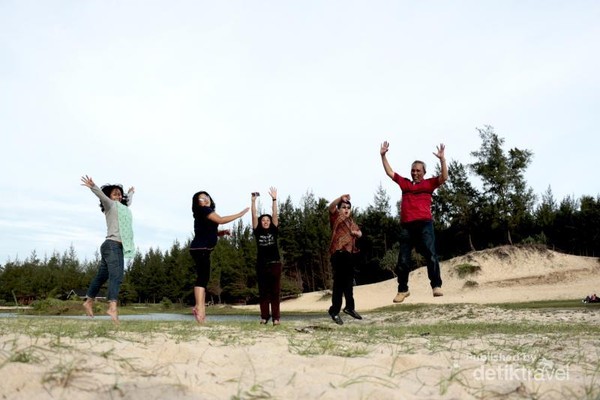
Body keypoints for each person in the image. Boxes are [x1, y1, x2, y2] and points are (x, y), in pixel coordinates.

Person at [380, 141, 448, 303]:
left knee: (431, 256)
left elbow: (444, 177)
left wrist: (442, 160)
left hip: (425, 224)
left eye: (418, 170)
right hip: (407, 226)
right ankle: (403, 290)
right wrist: (383, 155)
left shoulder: (429, 184)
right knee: (403, 260)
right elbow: (390, 172)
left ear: (424, 172)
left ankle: (436, 285)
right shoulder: (405, 184)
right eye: (413, 170)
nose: (415, 173)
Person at [80, 175, 135, 324]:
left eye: (119, 192)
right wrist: (93, 186)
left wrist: (130, 193)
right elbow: (101, 196)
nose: (117, 193)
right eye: (114, 192)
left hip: (111, 246)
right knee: (116, 277)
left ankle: (88, 301)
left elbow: (127, 201)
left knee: (101, 277)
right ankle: (112, 307)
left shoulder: (123, 208)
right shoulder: (110, 205)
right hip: (113, 245)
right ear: (110, 196)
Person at [190, 191, 249, 323]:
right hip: (201, 249)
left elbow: (208, 231)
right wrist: (240, 214)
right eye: (201, 198)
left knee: (203, 280)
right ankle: (199, 308)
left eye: (206, 197)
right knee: (202, 279)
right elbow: (221, 220)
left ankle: (201, 317)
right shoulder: (204, 210)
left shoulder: (204, 213)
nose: (205, 199)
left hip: (201, 249)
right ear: (197, 202)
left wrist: (222, 233)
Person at [327, 194, 363, 325]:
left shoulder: (351, 222)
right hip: (338, 253)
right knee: (339, 284)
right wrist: (341, 198)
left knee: (348, 283)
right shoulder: (336, 217)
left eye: (348, 207)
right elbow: (331, 207)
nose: (346, 209)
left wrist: (357, 233)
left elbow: (360, 233)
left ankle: (349, 307)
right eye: (343, 207)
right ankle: (334, 311)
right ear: (340, 209)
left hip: (349, 255)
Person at [251, 188, 283, 326]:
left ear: (270, 222)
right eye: (263, 220)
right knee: (263, 292)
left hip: (275, 264)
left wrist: (274, 200)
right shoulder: (257, 231)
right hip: (262, 265)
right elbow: (253, 216)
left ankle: (276, 318)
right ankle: (264, 317)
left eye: (267, 220)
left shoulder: (274, 230)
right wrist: (253, 201)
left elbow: (275, 214)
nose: (265, 221)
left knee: (275, 292)